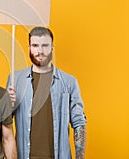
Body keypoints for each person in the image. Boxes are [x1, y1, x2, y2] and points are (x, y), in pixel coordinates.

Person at [6, 27, 87, 159]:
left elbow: (79, 123)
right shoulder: (15, 79)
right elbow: (6, 122)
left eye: (45, 45)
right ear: (29, 48)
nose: (40, 51)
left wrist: (80, 157)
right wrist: (8, 105)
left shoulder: (69, 81)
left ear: (52, 48)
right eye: (35, 45)